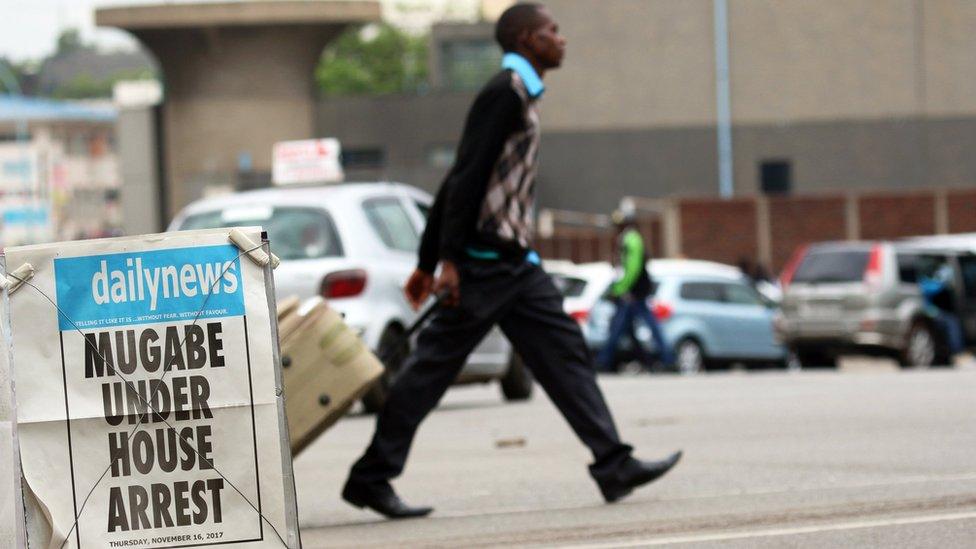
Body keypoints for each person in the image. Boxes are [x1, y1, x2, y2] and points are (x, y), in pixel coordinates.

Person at [341, 3, 681, 519]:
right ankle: (371, 477)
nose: (561, 39)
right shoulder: (504, 93)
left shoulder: (523, 94)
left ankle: (613, 462)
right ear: (525, 39)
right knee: (429, 371)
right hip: (483, 263)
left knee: (565, 352)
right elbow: (465, 178)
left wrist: (429, 259)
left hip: (516, 265)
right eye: (552, 31)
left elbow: (461, 176)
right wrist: (442, 261)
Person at [597, 211, 674, 371]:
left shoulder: (630, 239)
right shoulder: (629, 238)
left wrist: (620, 289)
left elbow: (631, 269)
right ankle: (650, 360)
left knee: (621, 327)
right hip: (634, 291)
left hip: (633, 293)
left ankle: (604, 360)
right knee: (626, 329)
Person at [919, 262, 964, 360]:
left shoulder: (928, 281)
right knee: (952, 323)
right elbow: (935, 289)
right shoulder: (926, 283)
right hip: (929, 312)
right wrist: (943, 282)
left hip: (933, 311)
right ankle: (957, 352)